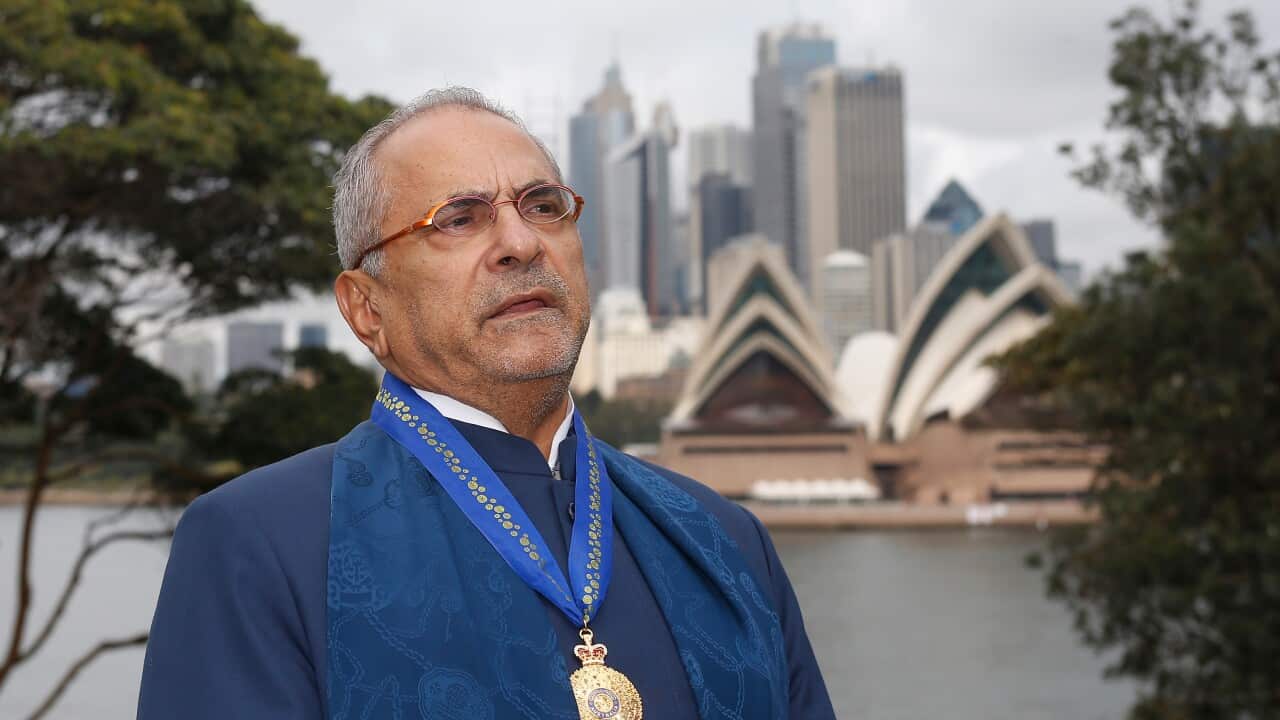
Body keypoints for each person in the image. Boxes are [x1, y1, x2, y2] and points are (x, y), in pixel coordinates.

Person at [138, 87, 835, 720]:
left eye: (543, 206)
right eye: (460, 218)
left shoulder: (723, 539)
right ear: (365, 307)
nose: (520, 243)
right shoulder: (261, 544)